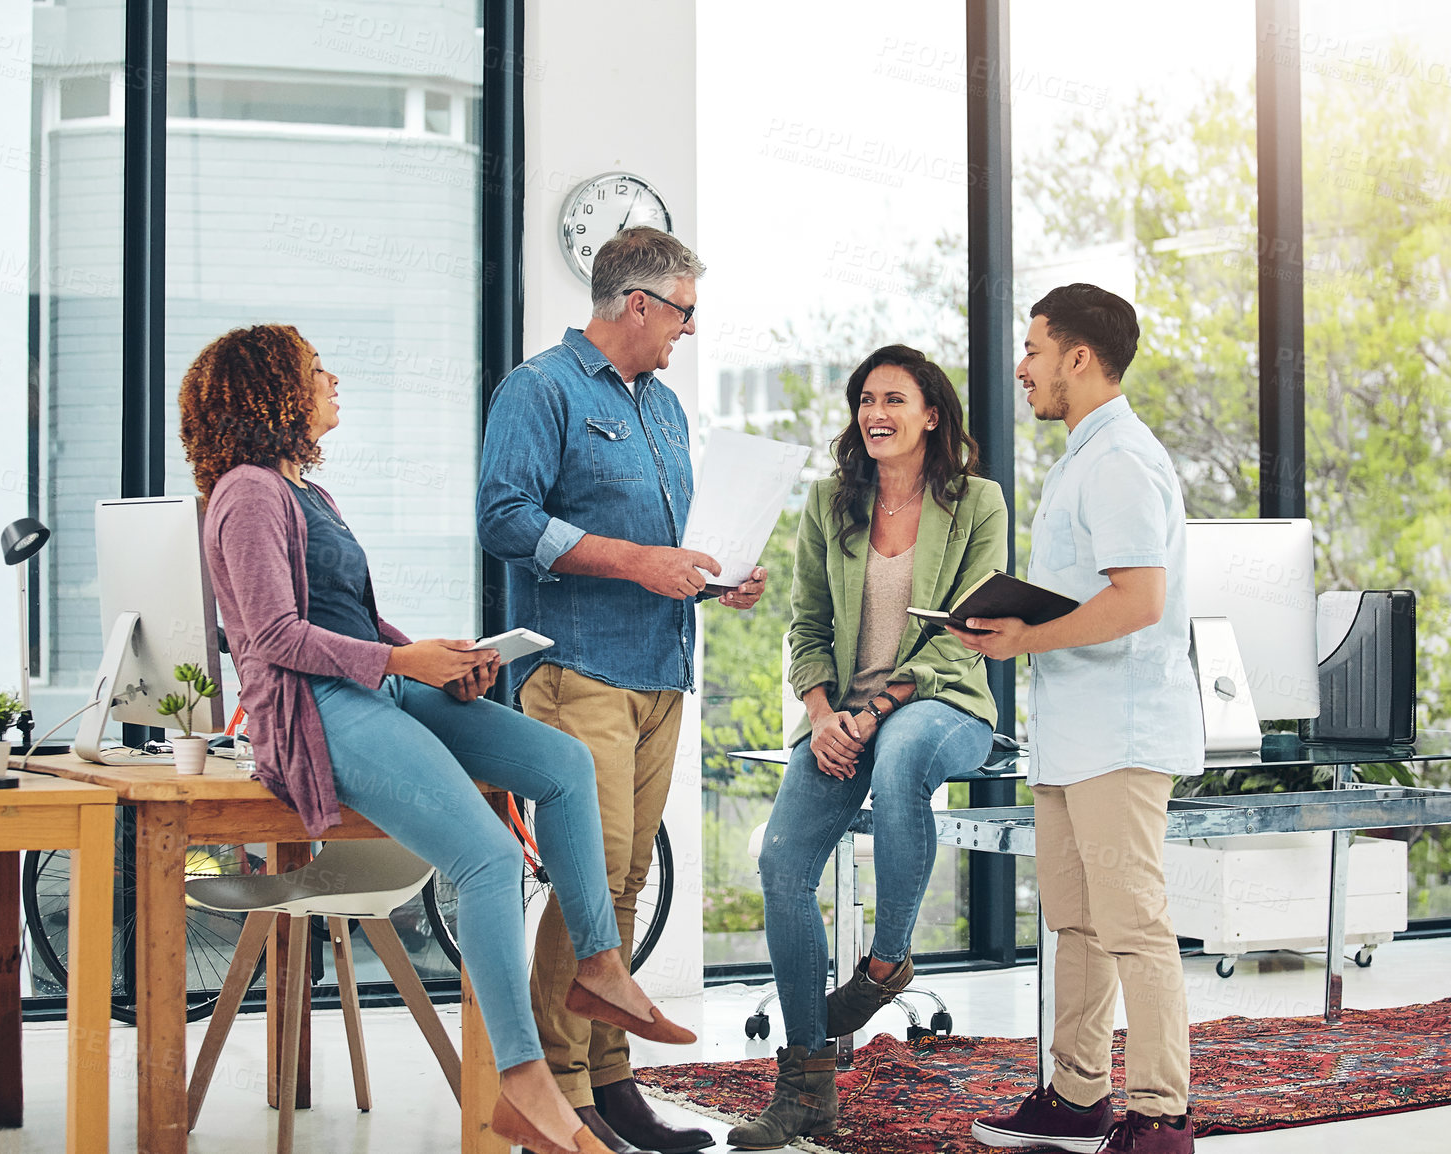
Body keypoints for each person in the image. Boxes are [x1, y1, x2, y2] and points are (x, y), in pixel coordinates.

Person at [181, 324, 696, 1154]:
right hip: (318, 706)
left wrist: (436, 660)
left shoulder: (307, 492)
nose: (334, 378)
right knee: (488, 857)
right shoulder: (246, 493)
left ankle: (599, 967)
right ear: (272, 390)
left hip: (376, 681)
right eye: (318, 369)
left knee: (561, 765)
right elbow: (274, 636)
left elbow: (345, 613)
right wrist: (398, 660)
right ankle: (522, 1085)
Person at [477, 227, 766, 1154]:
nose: (689, 328)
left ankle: (612, 1082)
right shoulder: (540, 389)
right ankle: (555, 1096)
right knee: (585, 882)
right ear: (636, 304)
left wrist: (719, 573)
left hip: (660, 671)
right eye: (682, 310)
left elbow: (671, 535)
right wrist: (639, 562)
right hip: (577, 672)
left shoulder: (667, 409)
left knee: (625, 884)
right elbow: (505, 517)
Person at [727, 345, 1007, 1150]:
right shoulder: (829, 503)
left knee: (901, 750)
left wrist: (876, 707)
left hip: (942, 707)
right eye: (864, 400)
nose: (875, 414)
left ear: (930, 414)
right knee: (782, 863)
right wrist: (822, 714)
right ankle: (807, 1083)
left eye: (894, 399)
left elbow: (967, 635)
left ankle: (887, 964)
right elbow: (807, 627)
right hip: (842, 719)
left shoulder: (978, 504)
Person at [954, 285, 1201, 1154]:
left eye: (1033, 349)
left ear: (1079, 358)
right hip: (1073, 733)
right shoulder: (1081, 458)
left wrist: (1026, 637)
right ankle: (1076, 1095)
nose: (1022, 366)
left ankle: (1162, 1117)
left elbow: (1140, 600)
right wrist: (1019, 630)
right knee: (1078, 921)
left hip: (1121, 733)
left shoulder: (1123, 459)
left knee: (1133, 923)